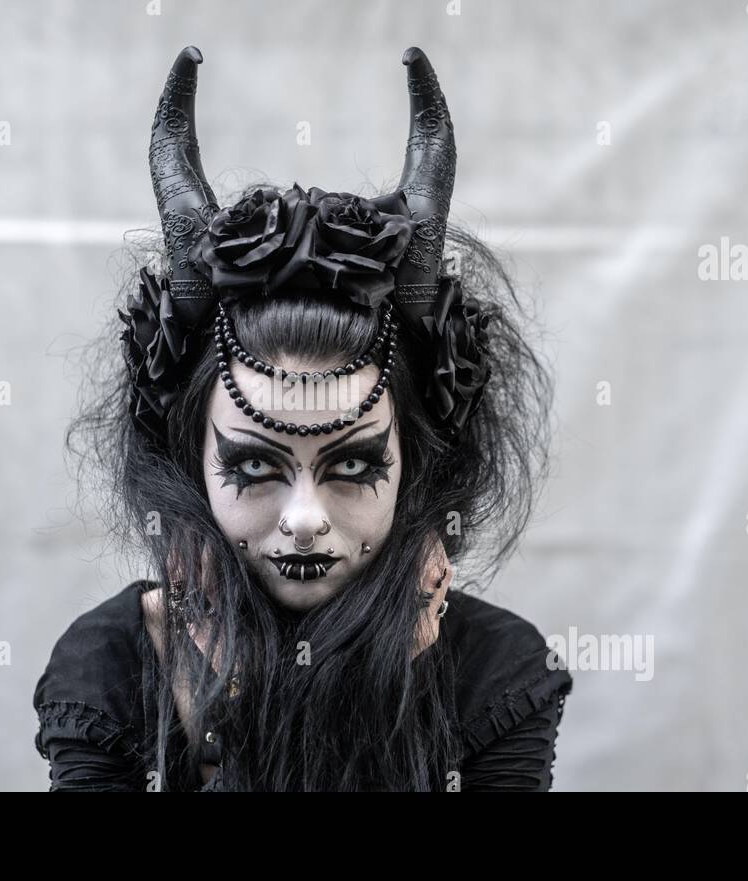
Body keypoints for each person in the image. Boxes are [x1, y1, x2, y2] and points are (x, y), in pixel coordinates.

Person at [34, 45, 573, 791]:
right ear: (190, 463)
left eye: (353, 465)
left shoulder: (495, 670)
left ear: (413, 464)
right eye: (254, 465)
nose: (305, 519)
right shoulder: (113, 665)